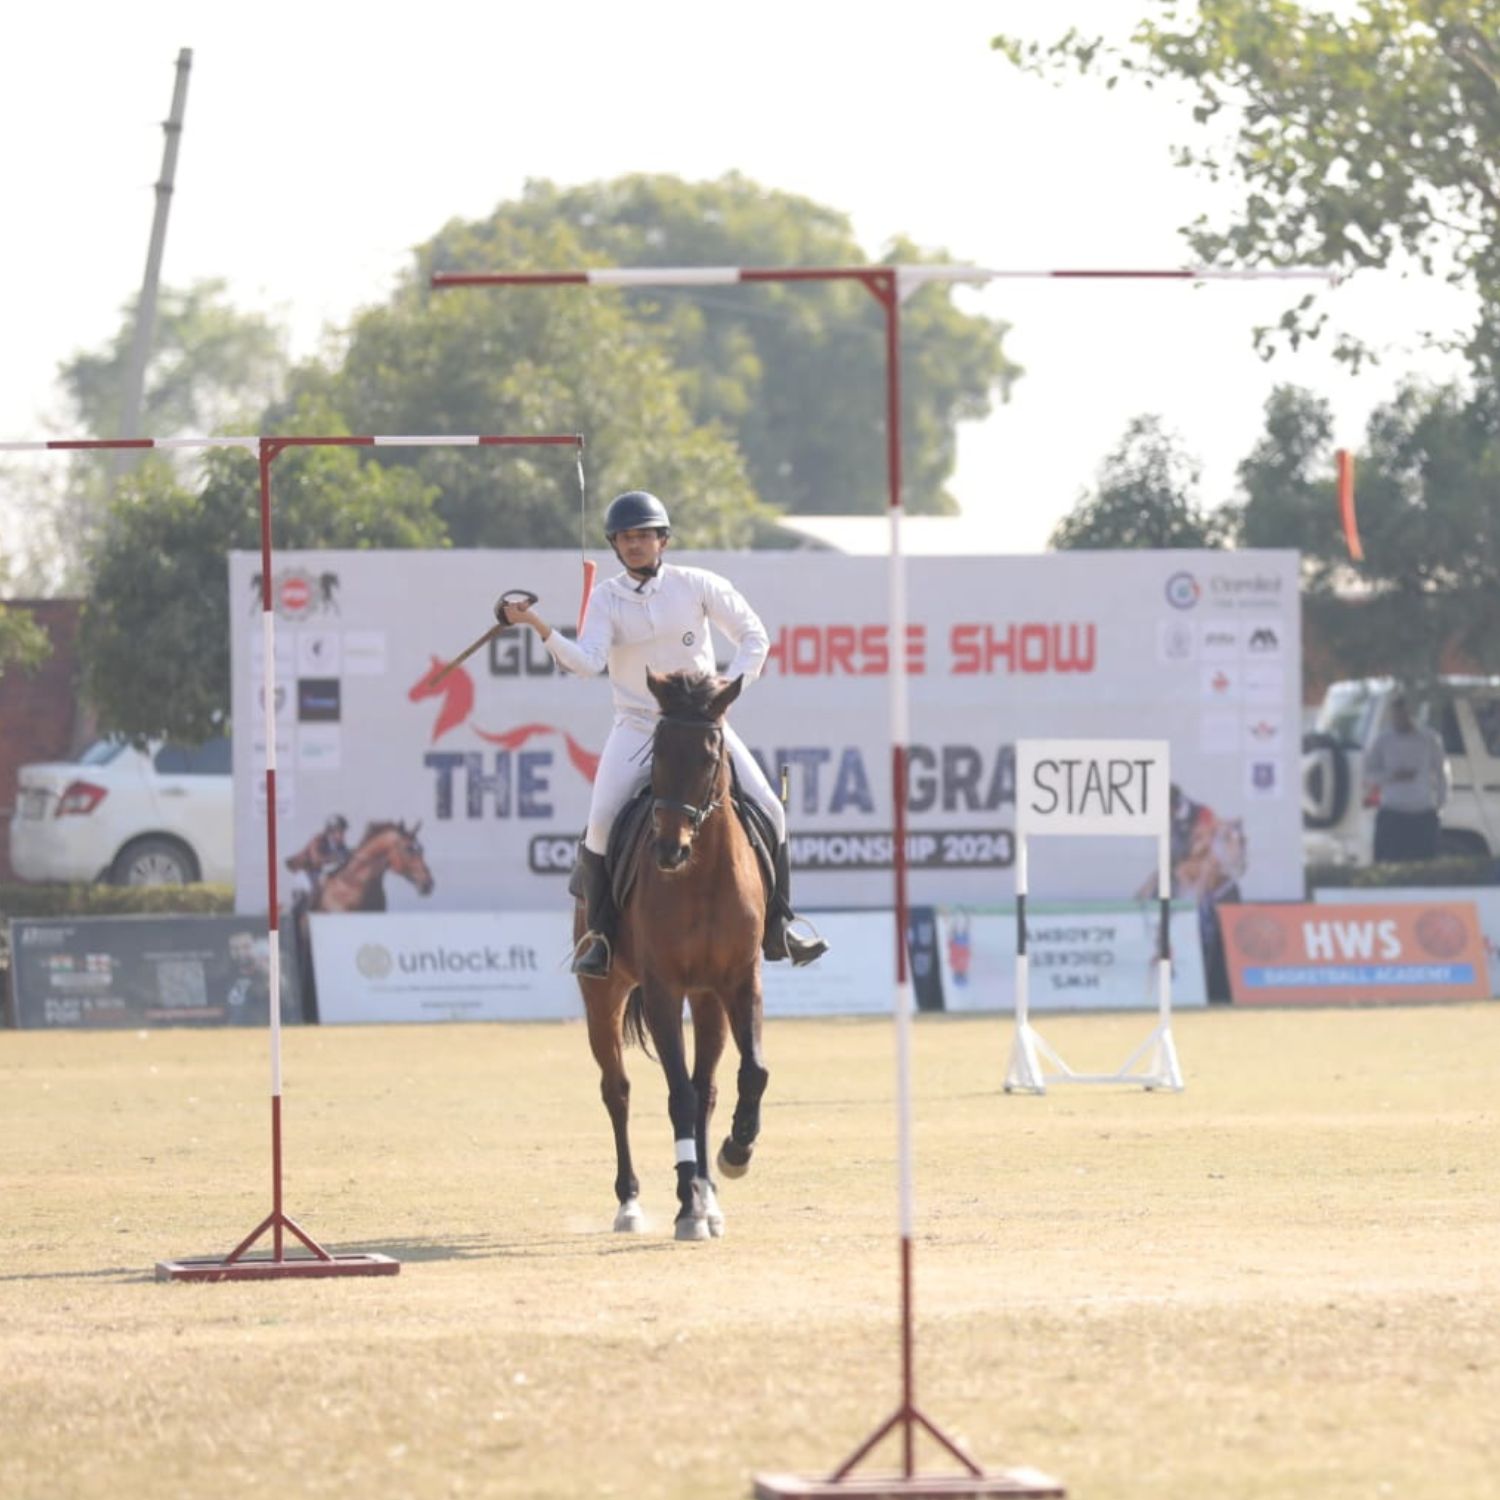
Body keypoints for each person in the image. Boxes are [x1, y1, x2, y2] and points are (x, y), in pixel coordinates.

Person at [498, 489, 828, 978]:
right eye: (625, 537)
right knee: (601, 823)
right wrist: (536, 624)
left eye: (644, 535)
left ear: (663, 540)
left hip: (701, 727)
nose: (635, 544)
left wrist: (727, 690)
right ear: (614, 544)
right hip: (637, 726)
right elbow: (587, 663)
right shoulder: (607, 598)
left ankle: (780, 924)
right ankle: (601, 937)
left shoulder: (697, 584)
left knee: (771, 809)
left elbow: (754, 636)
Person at [1364, 693, 1448, 863]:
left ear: (1411, 714)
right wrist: (1392, 776)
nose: (1399, 719)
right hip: (1392, 811)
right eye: (1396, 715)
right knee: (1387, 862)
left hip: (1422, 812)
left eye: (1403, 715)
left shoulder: (1430, 739)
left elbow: (1442, 773)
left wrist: (1440, 805)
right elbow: (1369, 774)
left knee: (1423, 864)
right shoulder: (1382, 740)